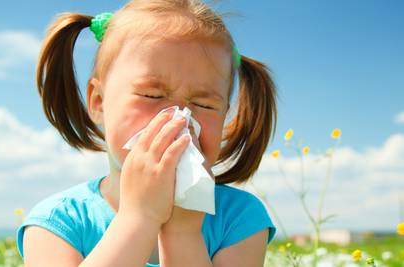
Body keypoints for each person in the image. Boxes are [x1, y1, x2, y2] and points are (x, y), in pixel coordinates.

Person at [16, 0, 278, 266]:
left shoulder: (239, 218)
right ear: (98, 101)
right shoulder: (57, 223)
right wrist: (139, 218)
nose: (179, 118)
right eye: (151, 95)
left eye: (204, 104)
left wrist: (183, 233)